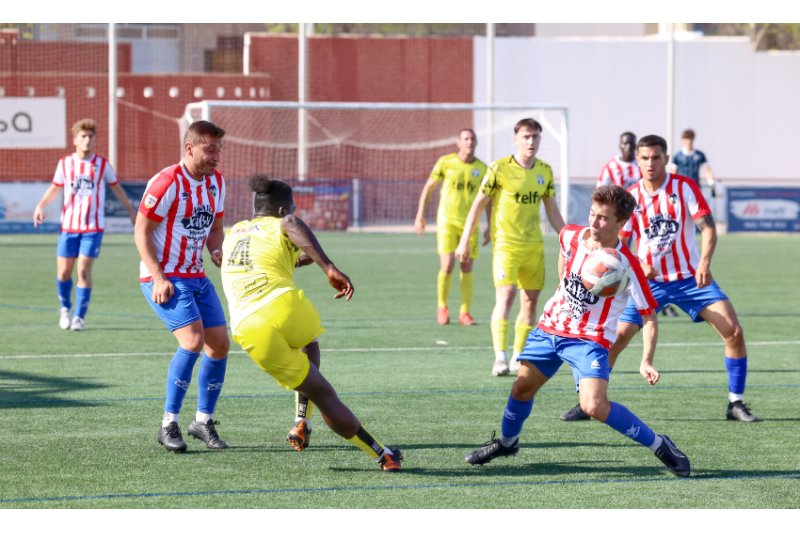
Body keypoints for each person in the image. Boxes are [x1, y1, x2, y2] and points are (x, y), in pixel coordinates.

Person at [464, 185, 690, 477]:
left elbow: (649, 316)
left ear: (621, 224)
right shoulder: (572, 234)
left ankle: (660, 445)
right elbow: (563, 247)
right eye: (592, 214)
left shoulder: (628, 265)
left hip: (590, 340)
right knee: (521, 388)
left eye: (603, 218)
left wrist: (646, 360)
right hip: (551, 328)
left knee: (594, 406)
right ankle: (507, 443)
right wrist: (563, 284)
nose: (594, 223)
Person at [219, 175, 403, 472]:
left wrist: (309, 256)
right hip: (283, 306)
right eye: (291, 206)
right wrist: (327, 266)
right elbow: (291, 223)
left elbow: (283, 256)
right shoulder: (283, 223)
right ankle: (374, 451)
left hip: (246, 327)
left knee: (318, 384)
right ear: (281, 210)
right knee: (315, 361)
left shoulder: (235, 232)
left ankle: (311, 424)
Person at [134, 120, 231, 452]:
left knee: (219, 345)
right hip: (164, 277)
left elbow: (215, 227)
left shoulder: (216, 181)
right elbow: (141, 232)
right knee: (193, 341)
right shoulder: (166, 182)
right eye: (210, 148)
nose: (216, 156)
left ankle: (202, 421)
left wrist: (216, 249)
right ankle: (168, 423)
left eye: (219, 149)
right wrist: (158, 277)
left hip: (197, 276)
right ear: (190, 148)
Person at [455, 117, 565, 377]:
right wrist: (464, 239)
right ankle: (499, 358)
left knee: (530, 302)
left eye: (535, 136)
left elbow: (552, 211)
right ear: (516, 139)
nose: (531, 141)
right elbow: (478, 204)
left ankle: (518, 356)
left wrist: (568, 238)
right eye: (526, 136)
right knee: (506, 297)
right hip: (506, 244)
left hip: (533, 247)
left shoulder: (545, 172)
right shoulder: (499, 168)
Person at [33, 118, 136, 331]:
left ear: (95, 139)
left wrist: (131, 211)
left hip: (93, 228)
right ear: (75, 140)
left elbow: (116, 188)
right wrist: (40, 206)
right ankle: (65, 308)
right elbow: (55, 188)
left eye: (90, 136)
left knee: (83, 272)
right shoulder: (65, 164)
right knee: (63, 273)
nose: (87, 140)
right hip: (69, 227)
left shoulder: (102, 164)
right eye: (83, 136)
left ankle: (79, 316)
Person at [415, 128, 489, 326]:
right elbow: (429, 187)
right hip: (447, 221)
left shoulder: (482, 169)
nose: (469, 142)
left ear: (476, 142)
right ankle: (442, 307)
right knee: (447, 265)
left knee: (467, 266)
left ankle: (465, 312)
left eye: (472, 139)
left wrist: (489, 224)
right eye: (465, 139)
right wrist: (420, 214)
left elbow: (488, 200)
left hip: (469, 225)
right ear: (458, 142)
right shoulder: (446, 162)